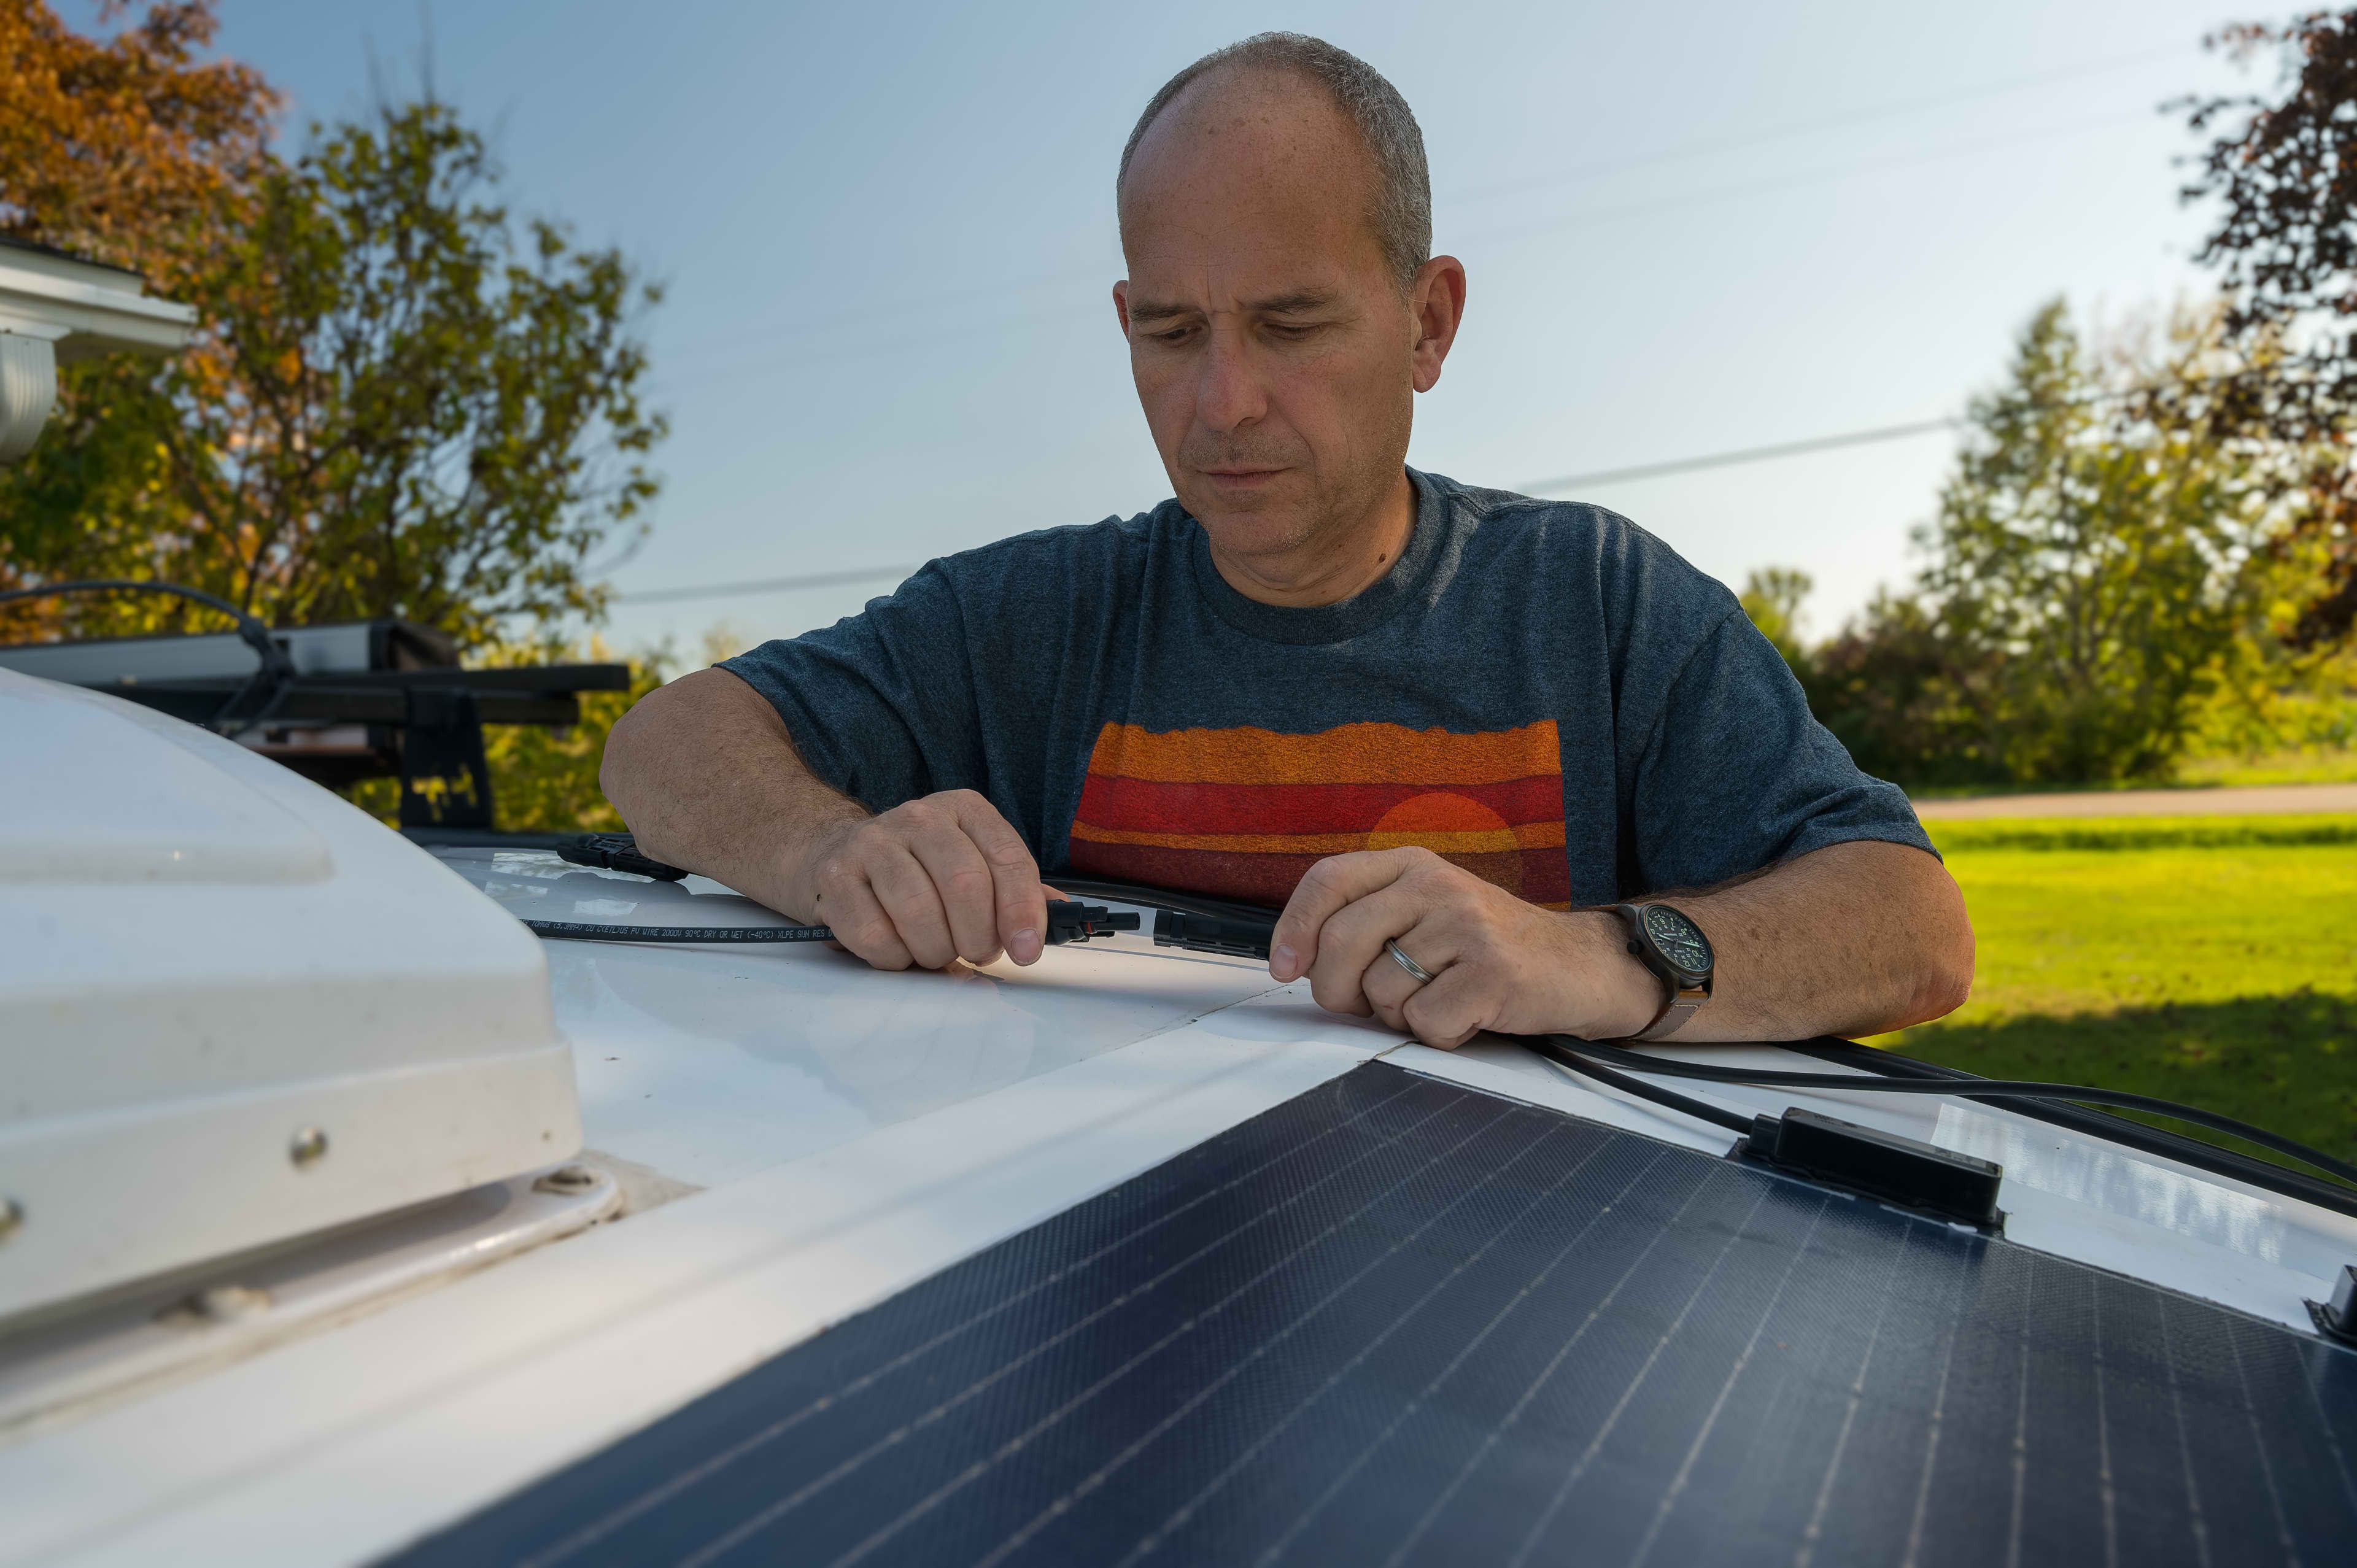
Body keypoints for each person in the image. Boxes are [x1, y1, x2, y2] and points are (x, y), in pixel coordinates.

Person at [602, 32, 1974, 1051]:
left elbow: (1910, 925)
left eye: (1293, 325)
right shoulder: (1036, 617)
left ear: (1428, 322)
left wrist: (1601, 960)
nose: (1223, 403)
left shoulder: (1592, 601)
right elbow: (662, 740)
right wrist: (829, 854)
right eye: (1171, 333)